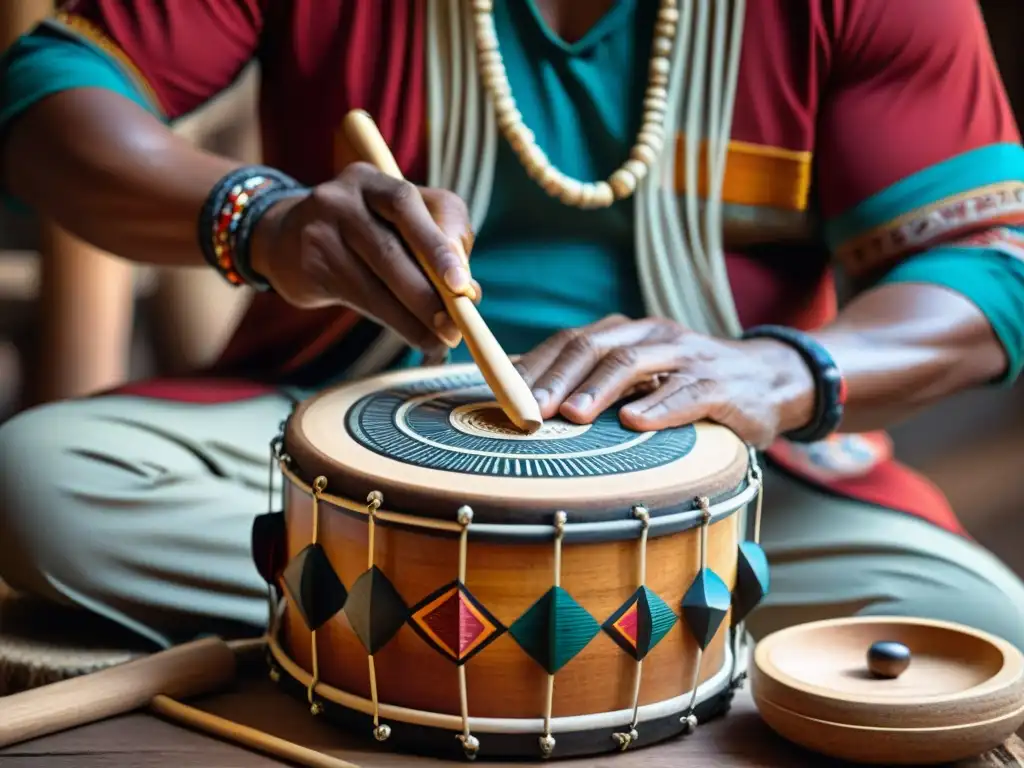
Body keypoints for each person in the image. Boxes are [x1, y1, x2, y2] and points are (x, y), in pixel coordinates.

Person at [1, 0, 1023, 654]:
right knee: (42, 485)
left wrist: (782, 372)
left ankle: (429, 634)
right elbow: (46, 92)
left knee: (979, 630)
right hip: (345, 441)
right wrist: (263, 221)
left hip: (724, 496)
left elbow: (991, 267)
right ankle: (623, 647)